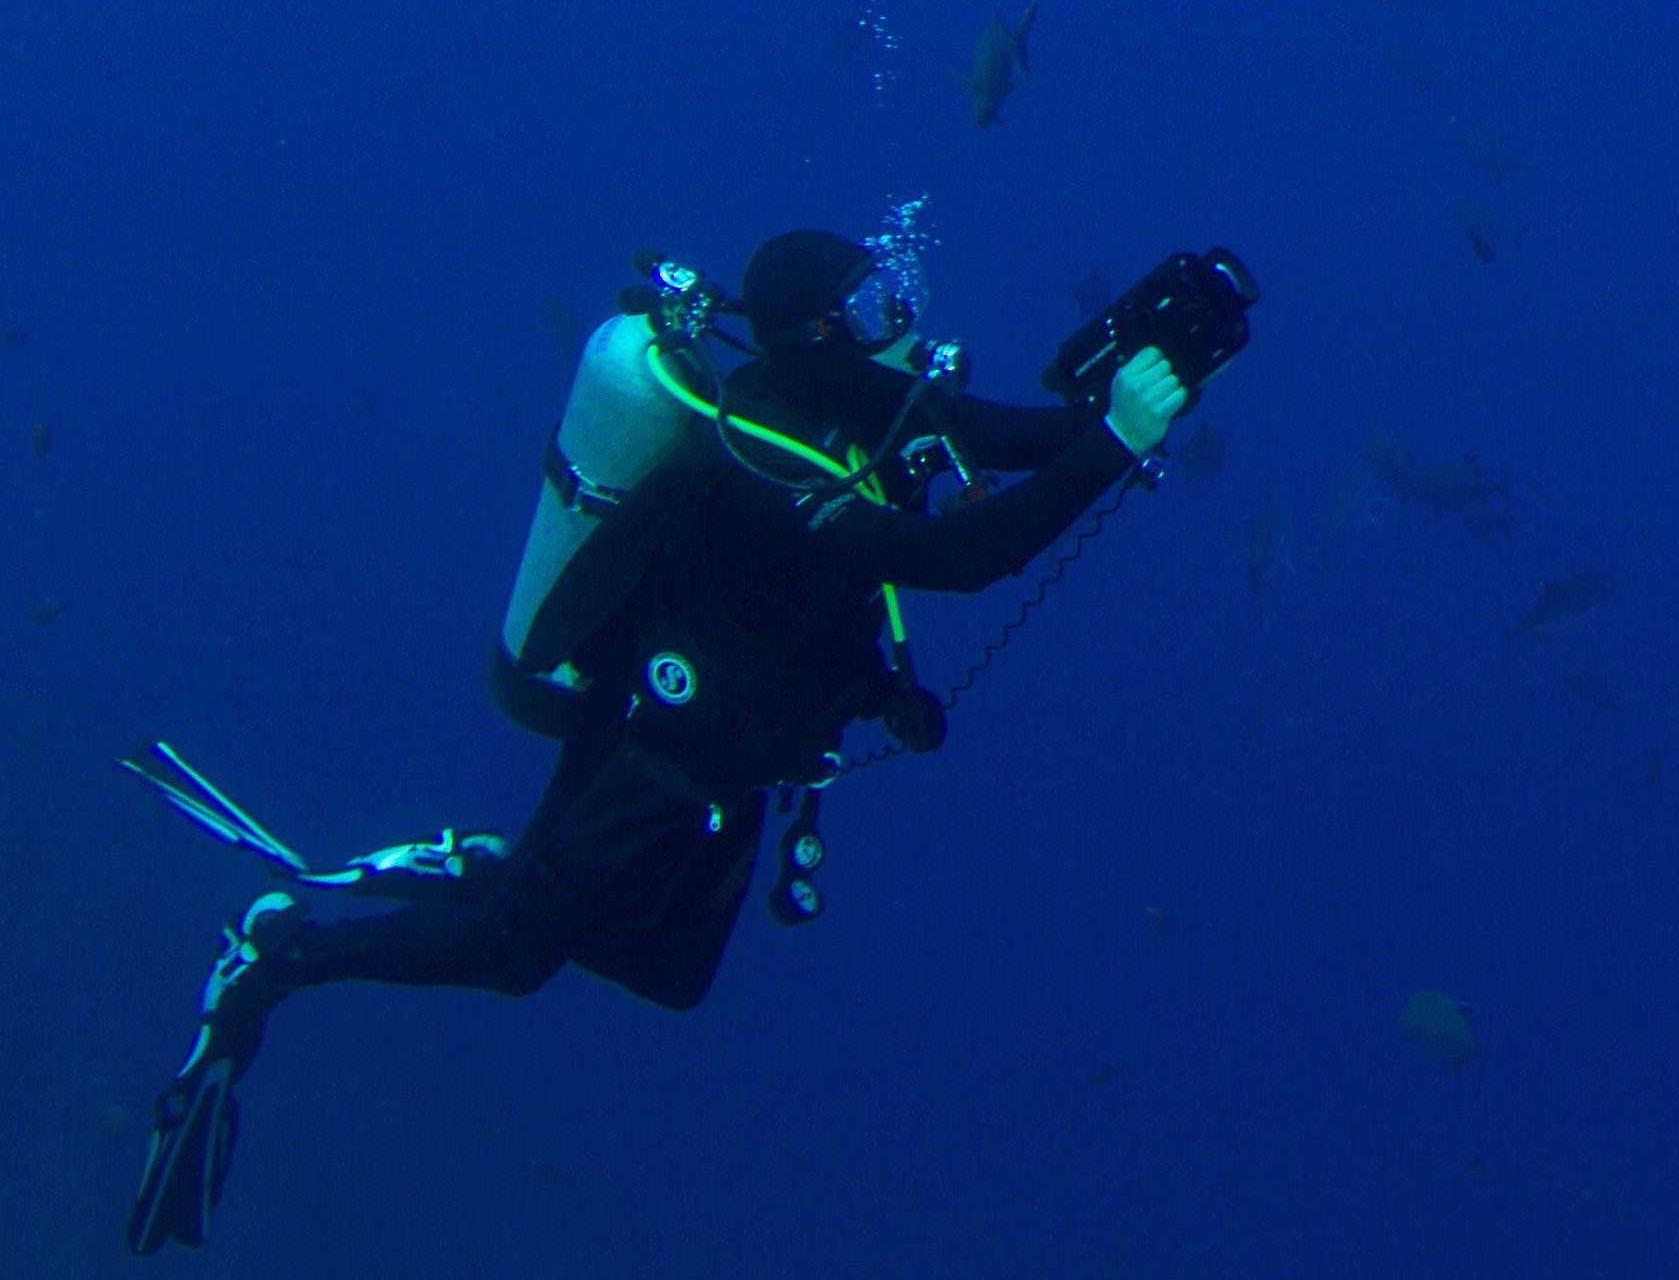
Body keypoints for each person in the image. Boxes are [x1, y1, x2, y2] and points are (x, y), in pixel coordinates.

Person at [123, 226, 1250, 1253]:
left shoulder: (874, 405)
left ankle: (498, 870)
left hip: (726, 763)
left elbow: (1037, 438)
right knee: (513, 960)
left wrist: (1149, 375)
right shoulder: (760, 461)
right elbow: (961, 559)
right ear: (812, 337)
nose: (895, 330)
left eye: (890, 303)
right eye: (868, 314)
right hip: (647, 751)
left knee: (666, 978)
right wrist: (1116, 445)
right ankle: (276, 961)